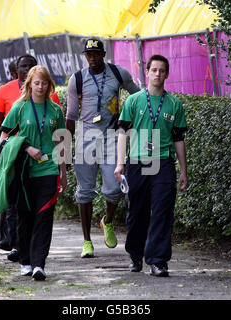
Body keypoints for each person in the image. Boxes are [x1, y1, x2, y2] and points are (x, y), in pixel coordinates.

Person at [114, 54, 188, 277]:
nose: (157, 74)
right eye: (154, 70)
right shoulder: (133, 101)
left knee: (163, 211)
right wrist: (120, 164)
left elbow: (179, 139)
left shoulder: (174, 104)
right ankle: (135, 254)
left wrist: (184, 170)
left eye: (162, 70)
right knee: (137, 212)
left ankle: (158, 260)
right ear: (147, 72)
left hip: (163, 162)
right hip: (137, 161)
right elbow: (122, 134)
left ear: (166, 74)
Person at [66, 38, 140, 258]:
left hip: (111, 137)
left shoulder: (119, 74)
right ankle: (87, 241)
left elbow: (138, 97)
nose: (93, 58)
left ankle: (107, 221)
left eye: (97, 54)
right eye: (89, 55)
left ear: (104, 54)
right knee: (85, 191)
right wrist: (66, 149)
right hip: (85, 137)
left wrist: (127, 120)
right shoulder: (77, 79)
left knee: (115, 188)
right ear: (85, 56)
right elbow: (70, 115)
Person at [0, 65, 67, 280]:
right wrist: (27, 147)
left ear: (49, 85)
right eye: (36, 82)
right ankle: (26, 261)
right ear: (29, 84)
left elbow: (61, 143)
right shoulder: (19, 108)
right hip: (23, 172)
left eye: (44, 83)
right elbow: (3, 138)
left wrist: (63, 172)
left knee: (44, 217)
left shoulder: (56, 110)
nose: (40, 86)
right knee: (25, 217)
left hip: (48, 170)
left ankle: (39, 264)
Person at [0, 54, 38, 262]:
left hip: (38, 156)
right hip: (11, 155)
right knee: (14, 200)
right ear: (17, 70)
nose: (28, 69)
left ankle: (30, 242)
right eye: (24, 66)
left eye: (32, 65)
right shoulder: (4, 92)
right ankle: (15, 244)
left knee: (33, 200)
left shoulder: (47, 91)